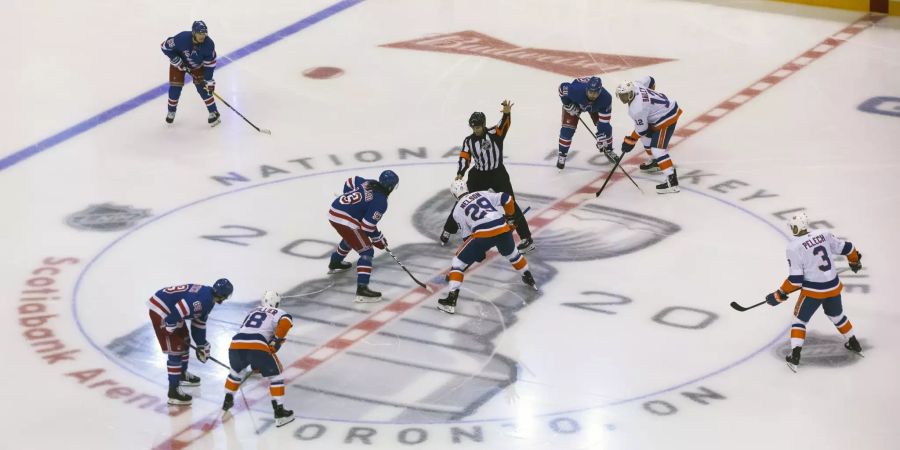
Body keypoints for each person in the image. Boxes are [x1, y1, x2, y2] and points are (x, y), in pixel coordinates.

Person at [764, 212, 864, 370]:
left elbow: (796, 280)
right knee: (837, 315)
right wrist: (854, 261)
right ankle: (854, 342)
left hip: (813, 292)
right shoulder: (823, 234)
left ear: (797, 227)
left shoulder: (793, 247)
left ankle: (795, 355)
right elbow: (848, 248)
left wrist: (779, 294)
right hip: (833, 286)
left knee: (799, 321)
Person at [437, 180, 537, 314]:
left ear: (454, 194)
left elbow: (468, 238)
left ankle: (451, 300)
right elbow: (507, 199)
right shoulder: (481, 193)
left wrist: (478, 253)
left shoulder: (457, 211)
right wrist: (509, 217)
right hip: (502, 228)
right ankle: (527, 276)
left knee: (458, 262)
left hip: (482, 235)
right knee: (513, 254)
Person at [453, 100, 535, 253]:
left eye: (477, 127)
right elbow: (465, 157)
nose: (475, 130)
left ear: (483, 125)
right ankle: (449, 229)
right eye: (473, 127)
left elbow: (504, 124)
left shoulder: (494, 133)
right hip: (478, 175)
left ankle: (527, 238)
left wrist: (506, 112)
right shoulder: (469, 141)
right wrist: (460, 172)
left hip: (498, 174)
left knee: (511, 203)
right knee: (465, 200)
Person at [146, 278, 233, 405]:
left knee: (185, 339)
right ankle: (173, 392)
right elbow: (180, 309)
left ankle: (181, 374)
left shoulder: (209, 299)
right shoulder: (203, 300)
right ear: (223, 296)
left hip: (171, 311)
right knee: (175, 350)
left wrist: (202, 344)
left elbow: (198, 324)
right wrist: (170, 324)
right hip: (162, 311)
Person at [221, 290, 295, 427]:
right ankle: (279, 412)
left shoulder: (253, 311)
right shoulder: (280, 313)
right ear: (276, 303)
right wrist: (276, 341)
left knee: (235, 372)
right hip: (257, 344)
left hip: (236, 343)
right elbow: (285, 323)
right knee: (276, 376)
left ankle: (227, 399)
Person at [328, 170, 399, 302]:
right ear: (390, 187)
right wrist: (379, 239)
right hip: (344, 219)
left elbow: (351, 181)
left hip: (334, 210)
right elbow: (367, 227)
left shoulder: (369, 182)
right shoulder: (381, 201)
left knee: (354, 237)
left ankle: (335, 261)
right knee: (367, 250)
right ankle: (362, 290)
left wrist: (352, 205)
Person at [615, 76, 683, 194]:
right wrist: (651, 101)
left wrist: (630, 141)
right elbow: (650, 79)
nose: (623, 98)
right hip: (662, 111)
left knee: (657, 150)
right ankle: (655, 162)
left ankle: (672, 182)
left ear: (631, 93)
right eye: (621, 96)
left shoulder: (636, 108)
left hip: (666, 118)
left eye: (625, 95)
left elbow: (642, 129)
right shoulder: (636, 85)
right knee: (645, 138)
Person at [160, 20, 220, 126]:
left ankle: (213, 112)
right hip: (179, 64)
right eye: (199, 33)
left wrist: (208, 80)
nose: (202, 36)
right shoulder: (182, 38)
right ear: (193, 33)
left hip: (197, 66)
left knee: (204, 88)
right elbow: (164, 46)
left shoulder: (209, 44)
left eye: (204, 33)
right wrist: (174, 58)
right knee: (175, 88)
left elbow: (210, 64)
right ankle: (171, 111)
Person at [556, 76, 616, 170]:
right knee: (567, 130)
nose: (592, 95)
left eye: (595, 93)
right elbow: (561, 88)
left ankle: (608, 150)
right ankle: (562, 154)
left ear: (600, 91)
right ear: (586, 89)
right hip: (575, 103)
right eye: (590, 92)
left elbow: (605, 123)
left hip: (595, 107)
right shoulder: (576, 90)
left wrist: (601, 135)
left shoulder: (606, 98)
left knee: (606, 129)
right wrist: (567, 104)